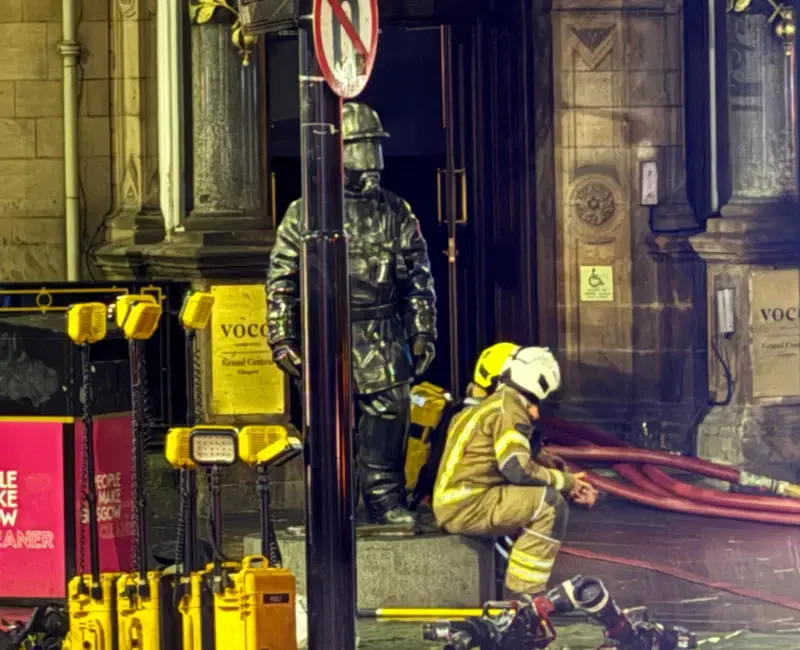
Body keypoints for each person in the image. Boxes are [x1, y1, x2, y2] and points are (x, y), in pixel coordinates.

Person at [265, 102, 437, 526]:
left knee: (391, 414)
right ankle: (330, 505)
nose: (372, 166)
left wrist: (422, 331)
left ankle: (384, 499)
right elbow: (281, 281)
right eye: (363, 150)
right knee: (327, 425)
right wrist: (282, 338)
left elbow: (419, 277)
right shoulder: (303, 213)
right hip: (328, 333)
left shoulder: (397, 212)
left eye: (375, 150)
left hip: (382, 333)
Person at [432, 346, 599, 596]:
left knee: (544, 495)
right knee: (550, 506)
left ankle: (521, 592)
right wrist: (565, 483)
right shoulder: (509, 409)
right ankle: (526, 595)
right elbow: (517, 469)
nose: (536, 411)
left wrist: (562, 475)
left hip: (459, 501)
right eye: (536, 402)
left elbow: (517, 460)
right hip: (469, 504)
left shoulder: (493, 404)